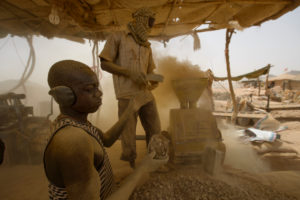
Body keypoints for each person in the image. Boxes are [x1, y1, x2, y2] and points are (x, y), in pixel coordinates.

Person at [43, 60, 167, 200]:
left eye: (97, 87)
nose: (99, 93)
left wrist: (132, 108)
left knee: (130, 175)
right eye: (90, 89)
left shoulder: (77, 124)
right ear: (64, 96)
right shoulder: (73, 141)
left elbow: (107, 139)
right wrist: (143, 168)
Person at [99, 7, 162, 168]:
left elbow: (150, 71)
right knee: (128, 133)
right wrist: (129, 73)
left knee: (155, 128)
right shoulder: (118, 37)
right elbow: (105, 63)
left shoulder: (147, 45)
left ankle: (154, 160)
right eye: (149, 22)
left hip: (145, 94)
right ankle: (131, 167)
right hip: (127, 94)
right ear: (141, 20)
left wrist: (153, 80)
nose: (151, 26)